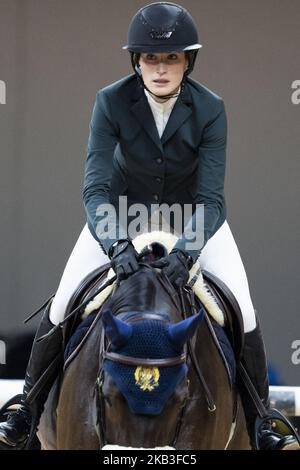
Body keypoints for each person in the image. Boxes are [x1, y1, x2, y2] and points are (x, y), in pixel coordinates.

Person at [0, 2, 298, 450]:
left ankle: (263, 423)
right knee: (63, 303)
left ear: (187, 61)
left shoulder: (211, 108)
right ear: (137, 61)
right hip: (119, 215)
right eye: (151, 58)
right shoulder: (110, 100)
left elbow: (212, 197)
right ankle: (25, 410)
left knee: (244, 310)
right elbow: (95, 189)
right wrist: (115, 242)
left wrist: (187, 250)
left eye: (171, 58)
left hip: (193, 220)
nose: (160, 69)